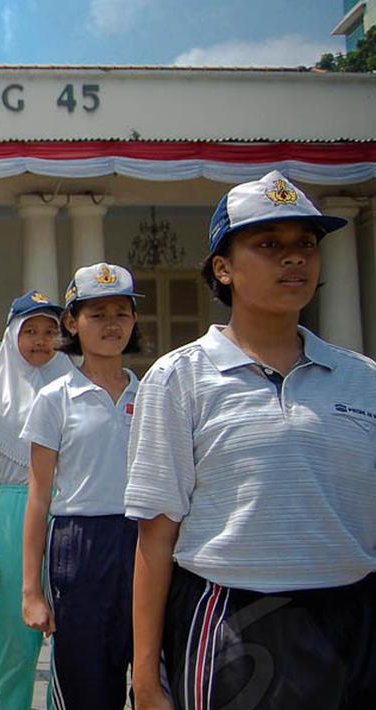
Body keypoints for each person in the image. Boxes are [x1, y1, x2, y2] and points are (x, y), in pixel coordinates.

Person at [127, 171, 376, 710]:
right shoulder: (180, 378)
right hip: (234, 624)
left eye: (305, 244)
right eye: (269, 245)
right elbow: (156, 534)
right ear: (223, 268)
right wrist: (146, 680)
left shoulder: (363, 378)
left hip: (354, 620)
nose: (294, 259)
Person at [19, 264, 142, 710]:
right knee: (85, 682)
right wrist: (31, 591)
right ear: (72, 322)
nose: (111, 324)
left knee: (151, 677)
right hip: (79, 544)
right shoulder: (55, 398)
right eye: (97, 314)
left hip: (143, 541)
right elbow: (38, 496)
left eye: (122, 313)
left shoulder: (151, 394)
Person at [0, 291, 72, 710]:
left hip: (66, 510)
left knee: (71, 625)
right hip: (10, 511)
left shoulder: (76, 390)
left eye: (51, 331)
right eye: (30, 331)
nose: (41, 340)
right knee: (12, 630)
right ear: (12, 337)